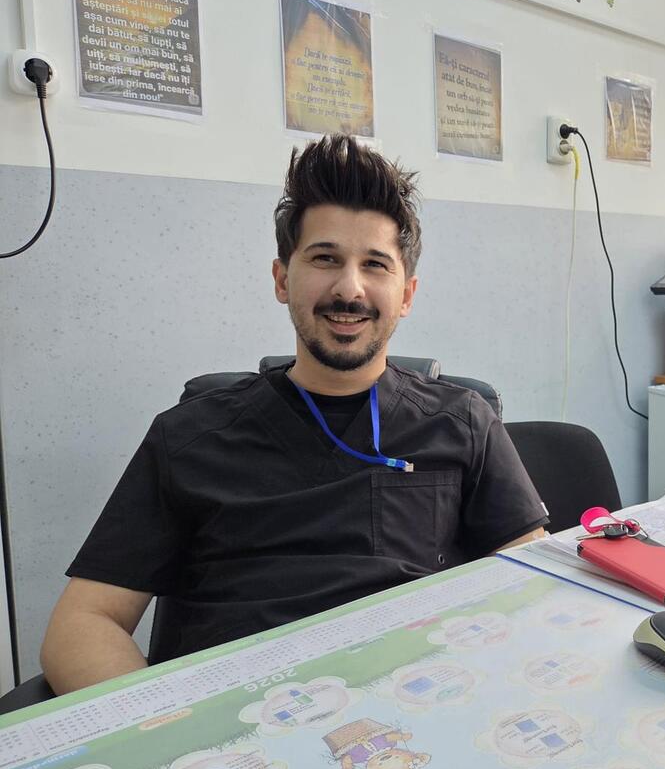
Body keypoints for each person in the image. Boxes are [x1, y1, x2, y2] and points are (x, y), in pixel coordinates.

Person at [40, 135, 548, 694]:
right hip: (237, 719)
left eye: (375, 265)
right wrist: (163, 720)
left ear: (406, 295)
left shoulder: (462, 421)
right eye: (325, 258)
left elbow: (533, 582)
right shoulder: (188, 437)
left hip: (414, 705)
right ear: (283, 280)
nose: (349, 288)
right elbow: (84, 623)